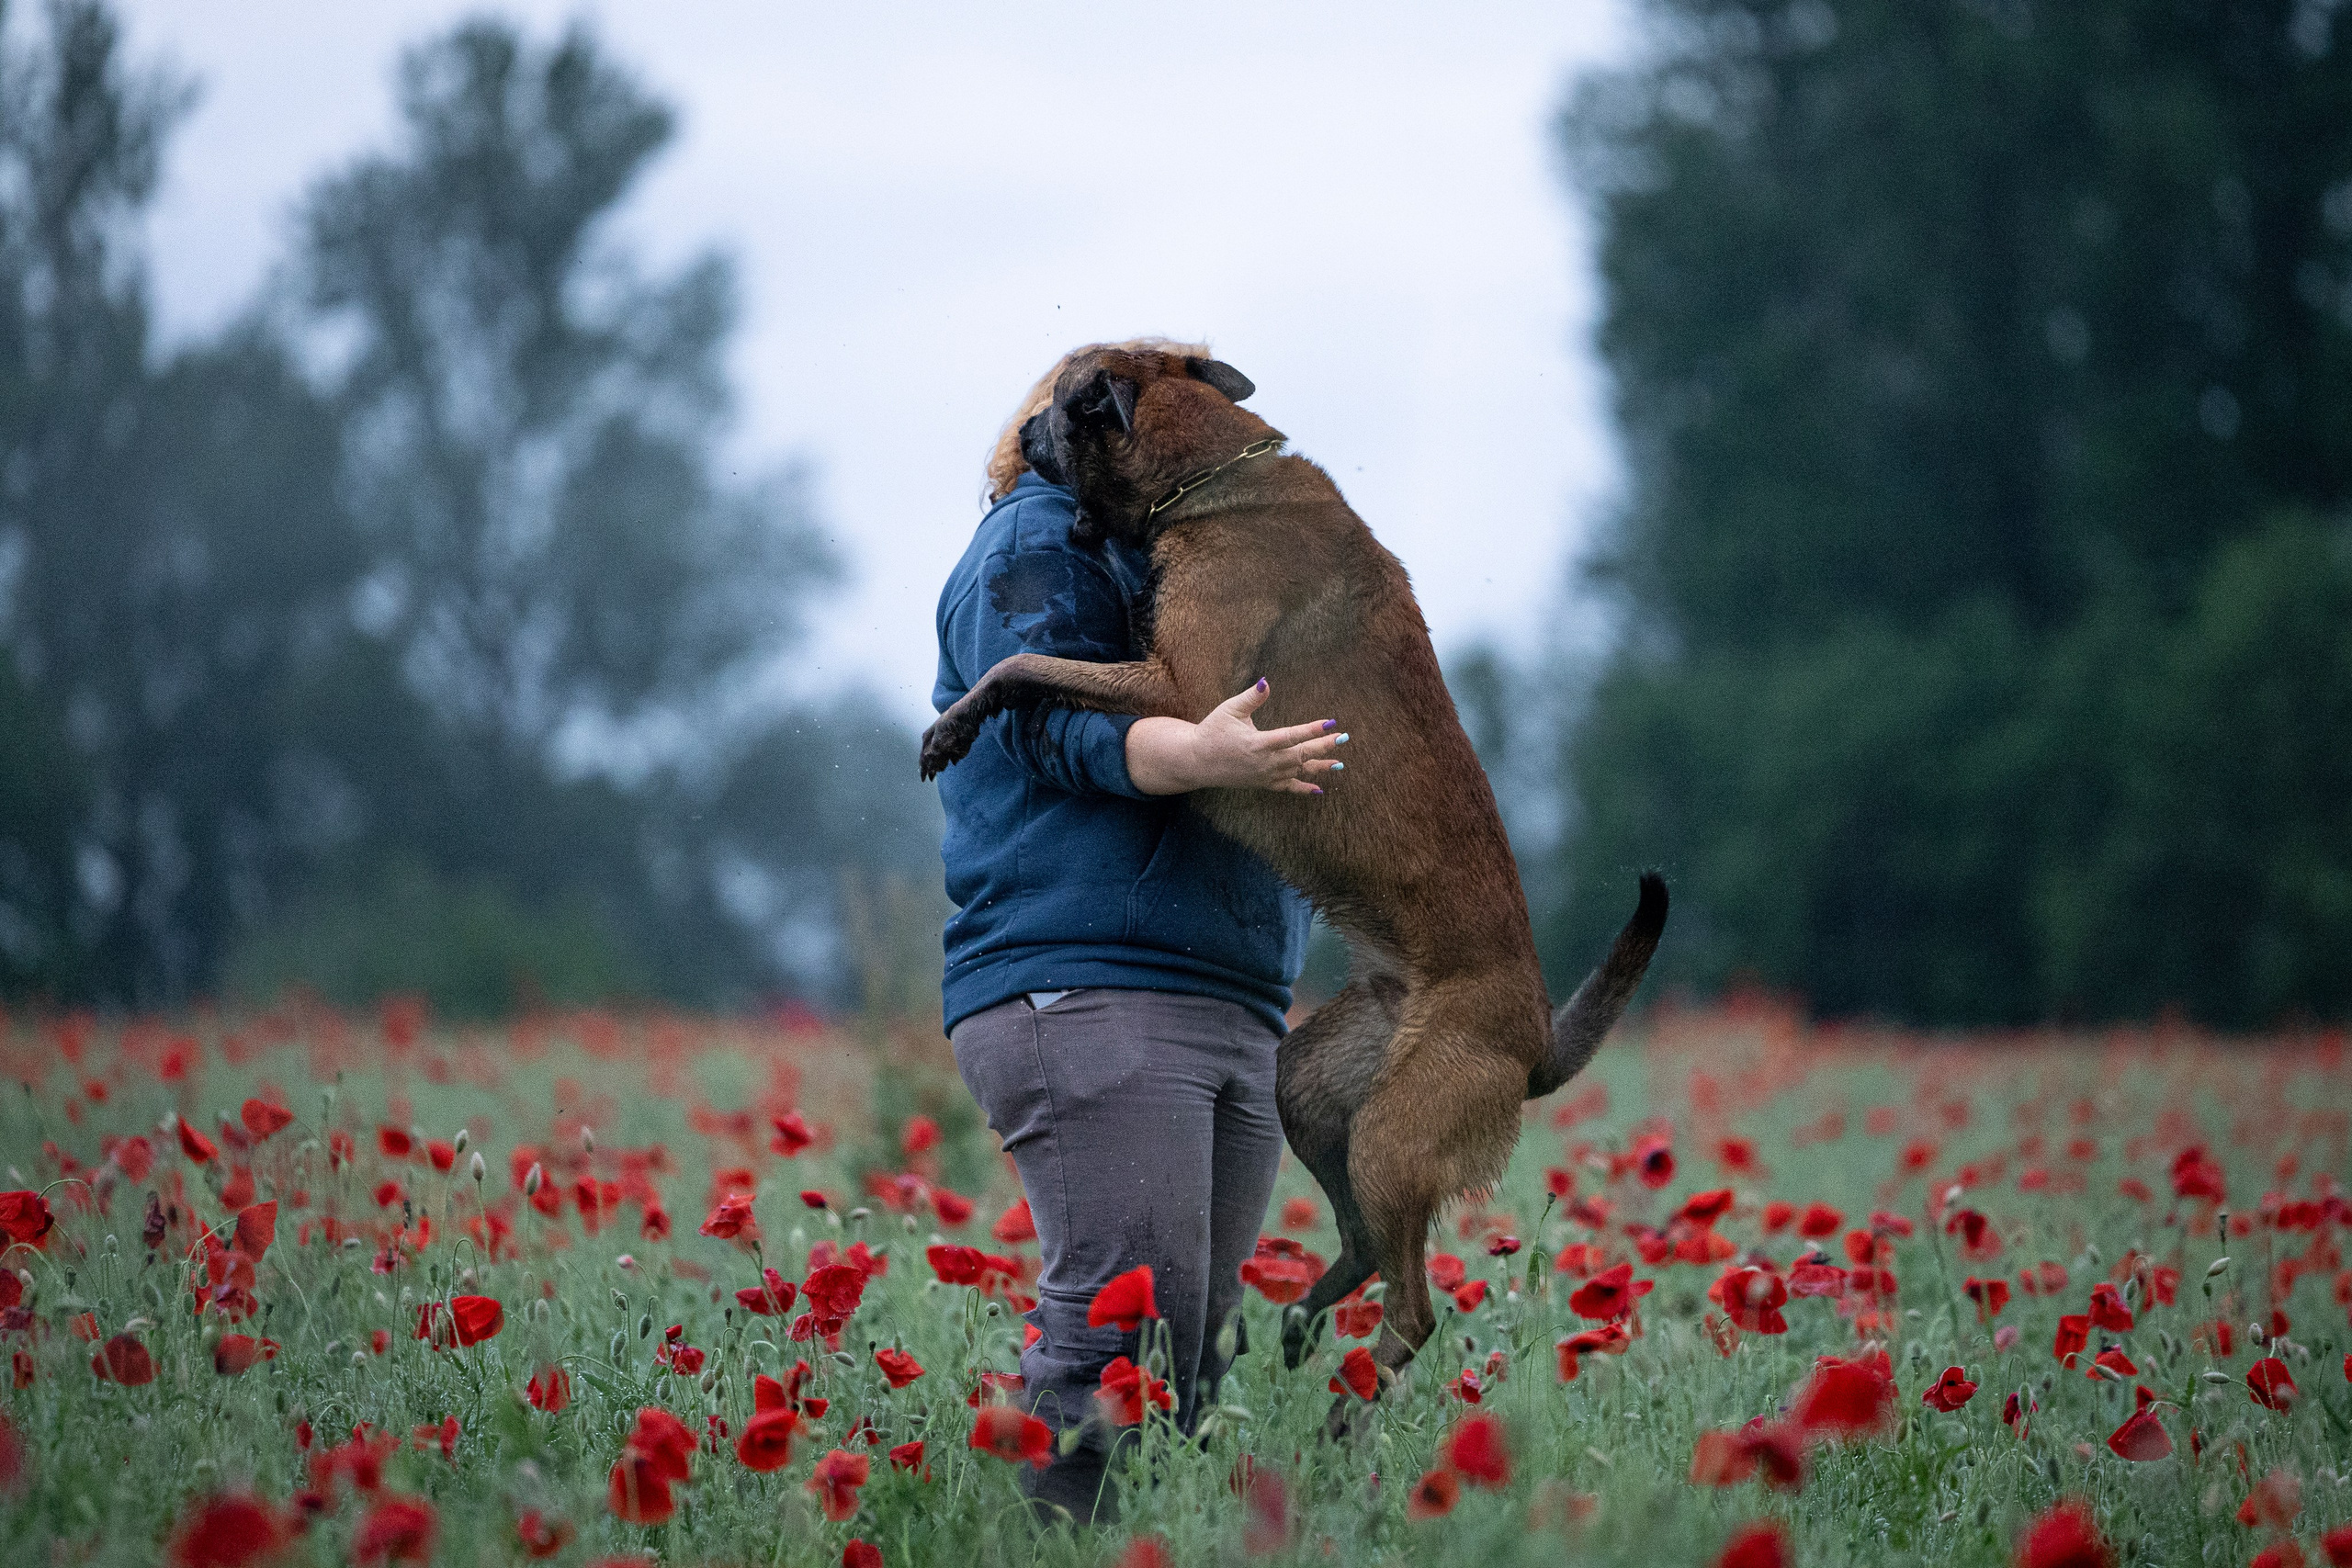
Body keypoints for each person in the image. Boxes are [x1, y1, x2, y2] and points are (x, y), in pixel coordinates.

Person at [933, 338, 1344, 1524]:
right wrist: (1202, 754)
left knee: (1181, 1355)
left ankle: (1128, 1542)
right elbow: (1048, 718)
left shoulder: (1212, 556)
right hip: (1088, 986)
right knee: (1119, 1333)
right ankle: (1038, 1544)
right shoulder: (1032, 540)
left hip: (1229, 993)